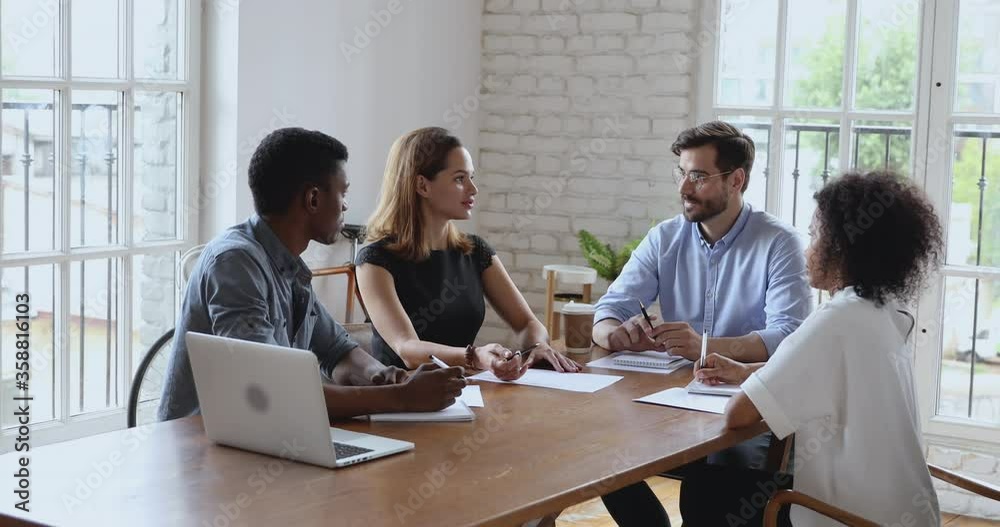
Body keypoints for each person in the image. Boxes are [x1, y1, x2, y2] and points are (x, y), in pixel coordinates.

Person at [158, 127, 465, 422]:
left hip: (262, 438)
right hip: (199, 453)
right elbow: (274, 392)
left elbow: (337, 351)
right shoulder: (235, 264)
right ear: (313, 199)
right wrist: (402, 398)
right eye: (342, 192)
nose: (346, 204)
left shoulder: (288, 266)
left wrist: (383, 376)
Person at [592, 121, 813, 527]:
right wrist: (614, 333)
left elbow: (788, 338)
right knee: (599, 455)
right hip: (668, 403)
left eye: (698, 176)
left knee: (715, 493)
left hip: (742, 407)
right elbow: (609, 308)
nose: (684, 187)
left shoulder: (780, 243)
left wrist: (707, 347)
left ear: (737, 180)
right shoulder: (665, 238)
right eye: (681, 173)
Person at [702, 171, 942, 526]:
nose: (807, 250)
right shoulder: (886, 310)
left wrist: (752, 382)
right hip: (905, 517)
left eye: (814, 236)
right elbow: (840, 377)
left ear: (842, 247)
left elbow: (738, 415)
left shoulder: (835, 319)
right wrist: (745, 372)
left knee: (707, 491)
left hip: (847, 519)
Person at [356, 126, 581, 381]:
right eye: (460, 178)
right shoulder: (375, 261)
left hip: (464, 393)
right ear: (422, 185)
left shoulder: (476, 252)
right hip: (401, 400)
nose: (473, 189)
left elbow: (528, 324)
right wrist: (474, 356)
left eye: (471, 177)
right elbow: (407, 348)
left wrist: (536, 346)